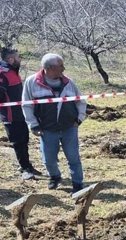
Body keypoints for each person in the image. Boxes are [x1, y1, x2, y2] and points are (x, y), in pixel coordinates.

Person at [22, 53, 86, 191]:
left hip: (69, 127)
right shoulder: (32, 83)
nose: (63, 69)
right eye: (60, 66)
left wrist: (79, 119)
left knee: (73, 157)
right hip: (47, 129)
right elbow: (26, 105)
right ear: (49, 68)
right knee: (49, 159)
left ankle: (78, 184)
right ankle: (55, 176)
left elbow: (81, 101)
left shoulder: (69, 82)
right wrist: (33, 125)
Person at [0, 48, 42, 181]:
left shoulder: (13, 71)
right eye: (18, 57)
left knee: (24, 140)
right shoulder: (2, 74)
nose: (20, 59)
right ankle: (25, 169)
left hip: (21, 112)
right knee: (18, 142)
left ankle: (26, 165)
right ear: (10, 59)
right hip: (10, 115)